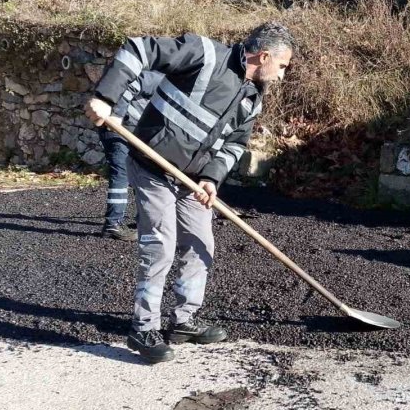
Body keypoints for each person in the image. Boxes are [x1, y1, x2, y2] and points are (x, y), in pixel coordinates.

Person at [84, 21, 295, 363]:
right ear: (265, 55)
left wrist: (212, 178)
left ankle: (183, 322)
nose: (282, 76)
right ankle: (143, 327)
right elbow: (139, 48)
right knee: (161, 244)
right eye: (282, 66)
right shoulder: (205, 54)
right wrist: (105, 97)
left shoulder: (253, 98)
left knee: (201, 245)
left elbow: (234, 145)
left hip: (193, 181)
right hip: (153, 167)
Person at [98, 70, 163, 241]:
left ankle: (143, 220)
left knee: (140, 173)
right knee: (121, 174)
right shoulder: (160, 77)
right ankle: (113, 224)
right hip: (119, 129)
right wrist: (117, 115)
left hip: (133, 133)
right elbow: (133, 84)